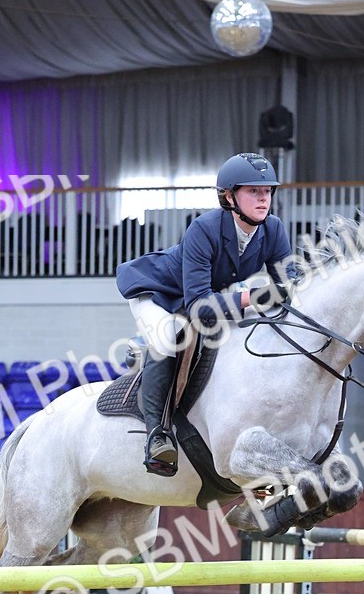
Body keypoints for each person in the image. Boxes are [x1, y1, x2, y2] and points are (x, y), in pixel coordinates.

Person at [116, 152, 292, 475]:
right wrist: (251, 297)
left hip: (202, 296)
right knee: (168, 338)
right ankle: (157, 435)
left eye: (267, 191)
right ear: (229, 196)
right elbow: (200, 307)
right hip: (158, 293)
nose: (263, 199)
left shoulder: (274, 230)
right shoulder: (204, 229)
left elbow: (289, 287)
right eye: (253, 191)